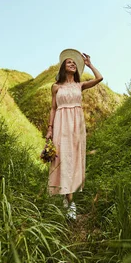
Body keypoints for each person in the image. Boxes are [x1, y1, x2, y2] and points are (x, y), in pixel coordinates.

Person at [46, 49, 103, 220]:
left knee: (73, 159)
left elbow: (99, 78)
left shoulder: (80, 85)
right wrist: (49, 128)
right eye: (68, 62)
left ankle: (68, 197)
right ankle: (69, 201)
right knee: (62, 158)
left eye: (74, 63)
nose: (72, 64)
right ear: (63, 67)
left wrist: (89, 64)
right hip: (61, 124)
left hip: (76, 125)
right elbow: (53, 108)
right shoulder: (56, 87)